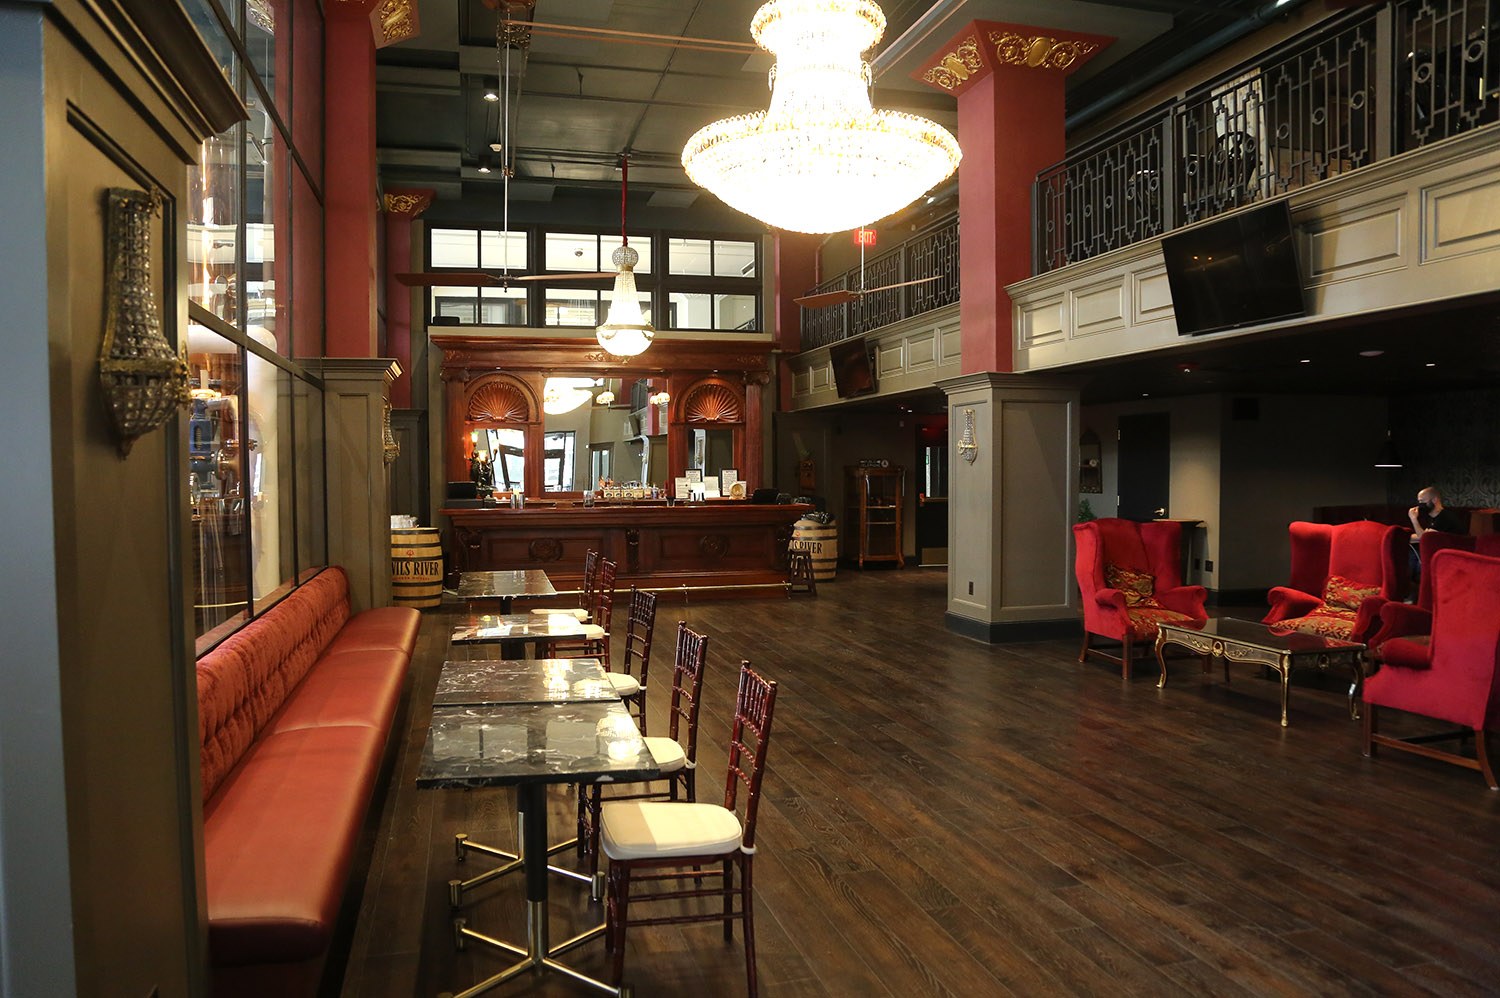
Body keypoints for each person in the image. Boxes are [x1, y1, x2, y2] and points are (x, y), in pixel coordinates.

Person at [1407, 485, 1465, 583]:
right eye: (1419, 502)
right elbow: (1426, 534)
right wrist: (1403, 537)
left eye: (1422, 501)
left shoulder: (1445, 517)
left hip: (1450, 557)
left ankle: (1413, 592)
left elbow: (1425, 538)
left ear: (1434, 500)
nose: (1419, 505)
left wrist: (1413, 519)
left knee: (1414, 556)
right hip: (1438, 553)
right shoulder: (1433, 516)